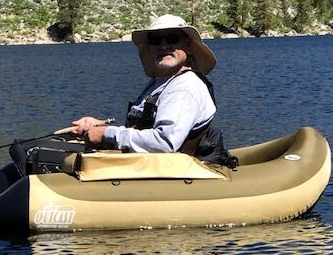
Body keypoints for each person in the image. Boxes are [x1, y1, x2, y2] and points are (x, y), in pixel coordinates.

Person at [72, 14, 234, 165]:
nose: (164, 45)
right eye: (156, 39)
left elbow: (165, 142)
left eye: (172, 38)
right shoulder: (161, 82)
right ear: (150, 47)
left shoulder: (184, 87)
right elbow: (145, 131)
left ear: (189, 47)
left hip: (170, 176)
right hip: (151, 168)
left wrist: (107, 133)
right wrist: (99, 127)